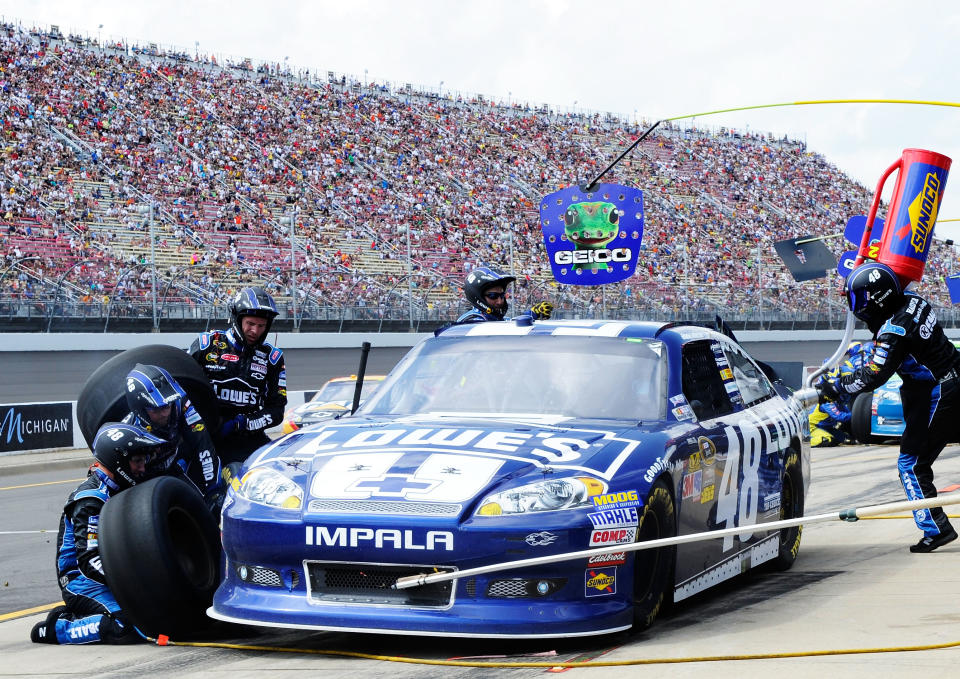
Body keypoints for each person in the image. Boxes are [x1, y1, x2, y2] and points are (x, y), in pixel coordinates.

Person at [819, 261, 960, 552]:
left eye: (859, 299)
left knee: (911, 465)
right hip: (948, 379)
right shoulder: (914, 300)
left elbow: (873, 375)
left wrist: (836, 386)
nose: (856, 306)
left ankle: (936, 529)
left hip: (941, 391)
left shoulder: (894, 330)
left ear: (877, 298)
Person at [31, 423, 166, 645]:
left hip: (114, 574)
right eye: (137, 461)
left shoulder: (122, 488)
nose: (142, 468)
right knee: (126, 627)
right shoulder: (90, 499)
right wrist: (135, 585)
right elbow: (89, 560)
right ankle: (57, 627)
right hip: (80, 581)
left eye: (143, 461)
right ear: (118, 461)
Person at [189, 286, 287, 464]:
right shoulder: (207, 344)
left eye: (261, 326)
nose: (255, 331)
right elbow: (182, 389)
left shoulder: (273, 358)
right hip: (205, 436)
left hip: (247, 436)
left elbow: (276, 411)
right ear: (237, 318)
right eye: (250, 324)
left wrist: (243, 423)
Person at [121, 363, 223, 508]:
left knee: (203, 507)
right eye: (156, 409)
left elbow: (202, 444)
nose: (165, 413)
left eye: (167, 406)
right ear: (140, 409)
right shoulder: (128, 431)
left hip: (174, 469)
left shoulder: (181, 404)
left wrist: (214, 489)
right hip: (143, 483)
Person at [455, 266, 553, 324]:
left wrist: (533, 313)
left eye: (502, 295)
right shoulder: (472, 321)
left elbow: (510, 323)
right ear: (478, 297)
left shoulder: (491, 318)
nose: (500, 301)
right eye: (493, 296)